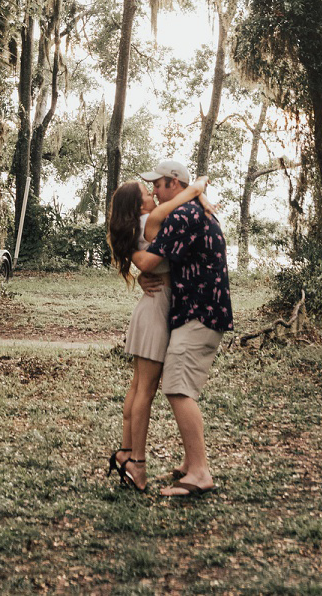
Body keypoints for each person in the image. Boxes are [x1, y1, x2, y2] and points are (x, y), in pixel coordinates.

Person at [133, 156, 233, 498]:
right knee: (179, 386)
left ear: (174, 183)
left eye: (158, 185)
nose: (154, 192)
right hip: (198, 311)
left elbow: (148, 258)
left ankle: (201, 472)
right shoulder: (194, 210)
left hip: (199, 313)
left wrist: (126, 250)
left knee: (178, 389)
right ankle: (192, 464)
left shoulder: (183, 216)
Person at [105, 170, 210, 492]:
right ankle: (137, 464)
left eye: (154, 190)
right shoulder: (150, 220)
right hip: (155, 311)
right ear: (139, 206)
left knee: (138, 388)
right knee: (145, 391)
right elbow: (174, 205)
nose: (153, 194)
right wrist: (198, 187)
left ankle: (125, 453)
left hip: (151, 309)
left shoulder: (140, 224)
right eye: (146, 193)